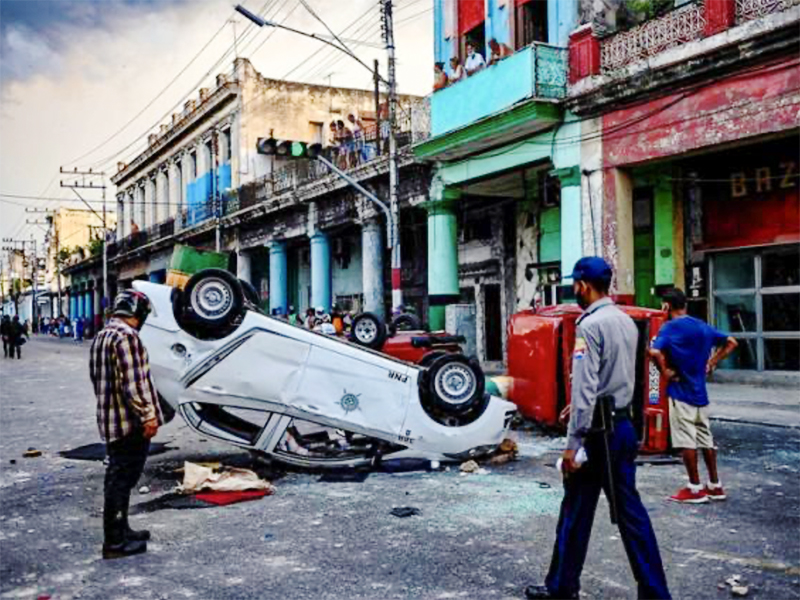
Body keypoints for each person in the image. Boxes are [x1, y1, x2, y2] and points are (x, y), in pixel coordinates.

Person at [525, 257, 671, 600]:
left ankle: (564, 588)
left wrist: (572, 444)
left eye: (574, 285)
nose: (574, 290)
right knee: (618, 513)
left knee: (585, 511)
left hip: (596, 433)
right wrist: (580, 407)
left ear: (583, 285)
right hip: (620, 426)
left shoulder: (588, 326)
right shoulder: (624, 321)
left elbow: (586, 385)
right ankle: (649, 593)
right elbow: (617, 378)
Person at [89, 290, 164, 559]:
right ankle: (115, 543)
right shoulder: (127, 337)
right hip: (129, 423)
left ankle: (122, 530)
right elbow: (134, 385)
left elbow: (98, 379)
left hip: (110, 420)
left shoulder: (103, 335)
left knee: (118, 477)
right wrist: (149, 417)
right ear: (138, 312)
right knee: (121, 479)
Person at [649, 288, 738, 504]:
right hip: (700, 394)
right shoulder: (702, 326)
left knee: (686, 440)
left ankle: (695, 487)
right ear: (685, 305)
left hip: (681, 393)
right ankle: (715, 485)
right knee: (705, 439)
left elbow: (653, 351)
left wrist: (665, 371)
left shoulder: (669, 327)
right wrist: (712, 362)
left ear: (666, 306)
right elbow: (732, 342)